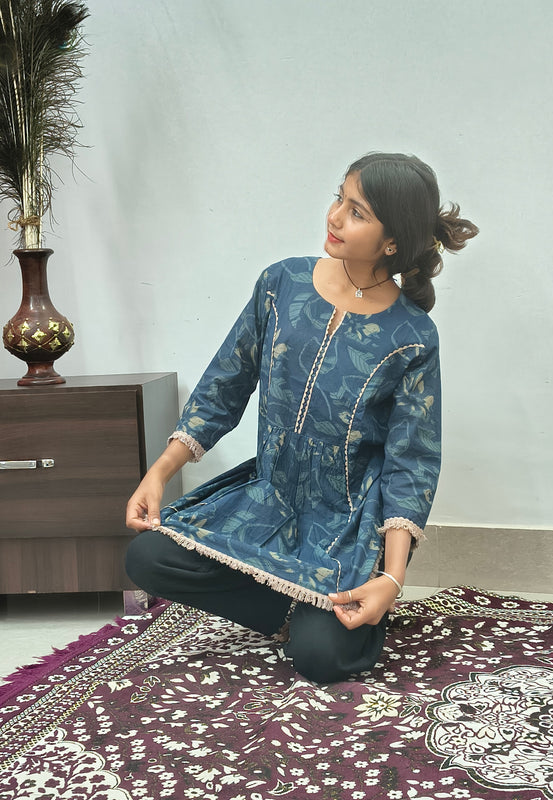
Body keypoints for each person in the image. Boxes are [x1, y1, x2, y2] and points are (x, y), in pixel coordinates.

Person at [125, 152, 478, 683]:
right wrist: (159, 473)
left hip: (346, 527)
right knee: (148, 558)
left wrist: (392, 578)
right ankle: (293, 606)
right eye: (340, 197)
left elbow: (412, 460)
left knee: (323, 659)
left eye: (357, 212)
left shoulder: (411, 335)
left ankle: (319, 613)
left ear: (393, 242)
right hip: (268, 501)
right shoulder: (280, 284)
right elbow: (225, 385)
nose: (335, 216)